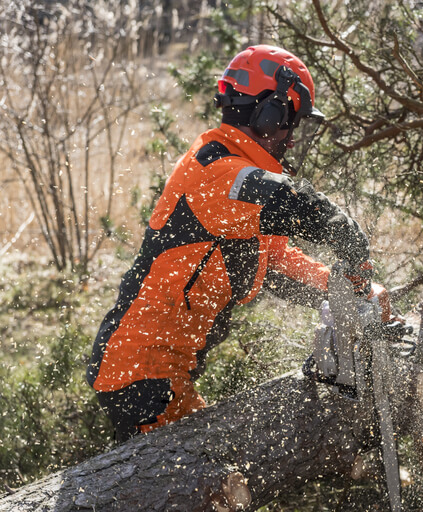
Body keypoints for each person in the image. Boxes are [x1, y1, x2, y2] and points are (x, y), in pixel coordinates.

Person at [87, 45, 389, 442]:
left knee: (218, 469)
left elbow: (277, 263)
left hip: (171, 375)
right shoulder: (215, 170)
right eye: (291, 124)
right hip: (140, 375)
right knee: (188, 491)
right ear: (270, 115)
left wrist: (352, 289)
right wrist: (350, 237)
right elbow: (300, 204)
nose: (292, 140)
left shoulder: (238, 190)